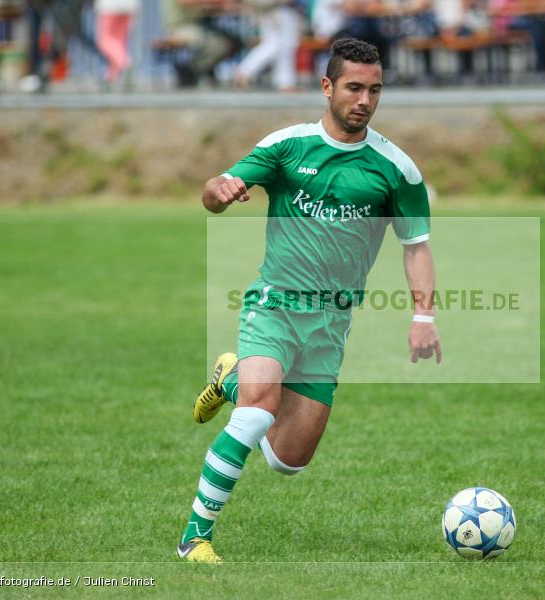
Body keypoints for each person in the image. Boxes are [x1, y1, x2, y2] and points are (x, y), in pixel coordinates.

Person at [177, 38, 440, 563]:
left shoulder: (396, 169)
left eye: (374, 90)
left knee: (288, 461)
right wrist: (220, 192)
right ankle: (195, 538)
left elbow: (416, 247)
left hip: (330, 323)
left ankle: (228, 377)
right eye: (354, 88)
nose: (364, 100)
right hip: (274, 304)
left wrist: (423, 315)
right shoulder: (288, 146)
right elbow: (215, 189)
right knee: (255, 414)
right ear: (327, 87)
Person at [233, 0, 301, 91]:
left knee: (285, 46)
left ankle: (285, 82)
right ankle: (244, 71)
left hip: (279, 10)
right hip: (273, 10)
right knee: (273, 45)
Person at [95, 0, 139, 86]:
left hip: (109, 6)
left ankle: (125, 63)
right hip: (130, 6)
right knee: (119, 43)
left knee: (104, 40)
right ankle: (111, 77)